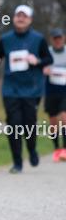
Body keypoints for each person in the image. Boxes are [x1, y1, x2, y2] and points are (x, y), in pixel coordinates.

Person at [0, 5, 53, 173]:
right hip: (11, 89)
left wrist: (37, 61)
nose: (21, 19)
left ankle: (32, 149)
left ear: (30, 20)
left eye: (25, 16)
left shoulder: (38, 39)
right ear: (14, 18)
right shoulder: (6, 39)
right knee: (13, 125)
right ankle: (17, 162)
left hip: (32, 89)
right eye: (18, 16)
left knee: (29, 125)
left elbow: (48, 59)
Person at [42, 28, 66, 161]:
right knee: (53, 123)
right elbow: (40, 66)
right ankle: (56, 148)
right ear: (52, 40)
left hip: (65, 91)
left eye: (60, 38)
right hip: (50, 90)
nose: (58, 41)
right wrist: (43, 70)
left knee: (64, 117)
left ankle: (65, 149)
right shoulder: (48, 52)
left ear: (63, 39)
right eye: (55, 38)